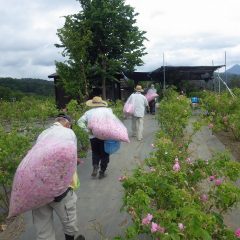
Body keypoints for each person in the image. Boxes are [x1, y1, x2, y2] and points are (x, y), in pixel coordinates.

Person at [32, 113, 85, 240]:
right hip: (59, 189)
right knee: (69, 220)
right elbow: (69, 157)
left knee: (43, 228)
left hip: (37, 187)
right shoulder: (68, 133)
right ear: (68, 124)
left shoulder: (43, 133)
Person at [77, 96, 111, 179]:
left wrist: (87, 130)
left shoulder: (88, 112)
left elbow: (79, 121)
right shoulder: (107, 111)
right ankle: (102, 172)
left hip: (93, 136)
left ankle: (95, 166)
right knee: (105, 153)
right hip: (104, 135)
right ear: (101, 103)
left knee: (95, 152)